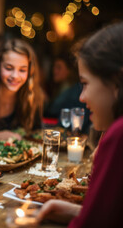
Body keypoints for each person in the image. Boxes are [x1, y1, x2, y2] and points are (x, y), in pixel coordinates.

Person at [37, 22, 123, 227]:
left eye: (85, 83)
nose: (82, 97)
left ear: (116, 81)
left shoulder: (118, 134)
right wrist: (79, 211)